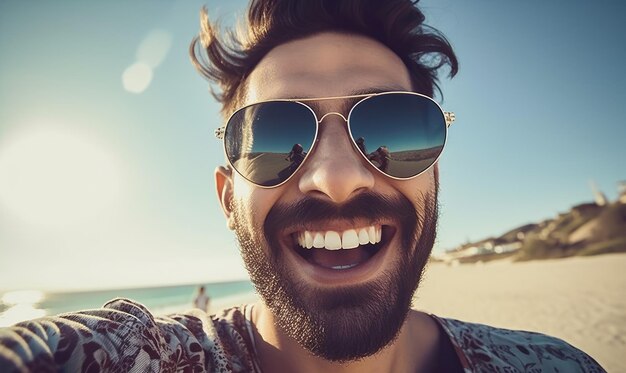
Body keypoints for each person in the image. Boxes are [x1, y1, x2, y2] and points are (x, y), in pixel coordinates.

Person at [0, 1, 606, 372]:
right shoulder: (140, 358)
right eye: (273, 135)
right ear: (226, 199)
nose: (335, 177)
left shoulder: (558, 366)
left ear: (434, 175)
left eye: (392, 124)